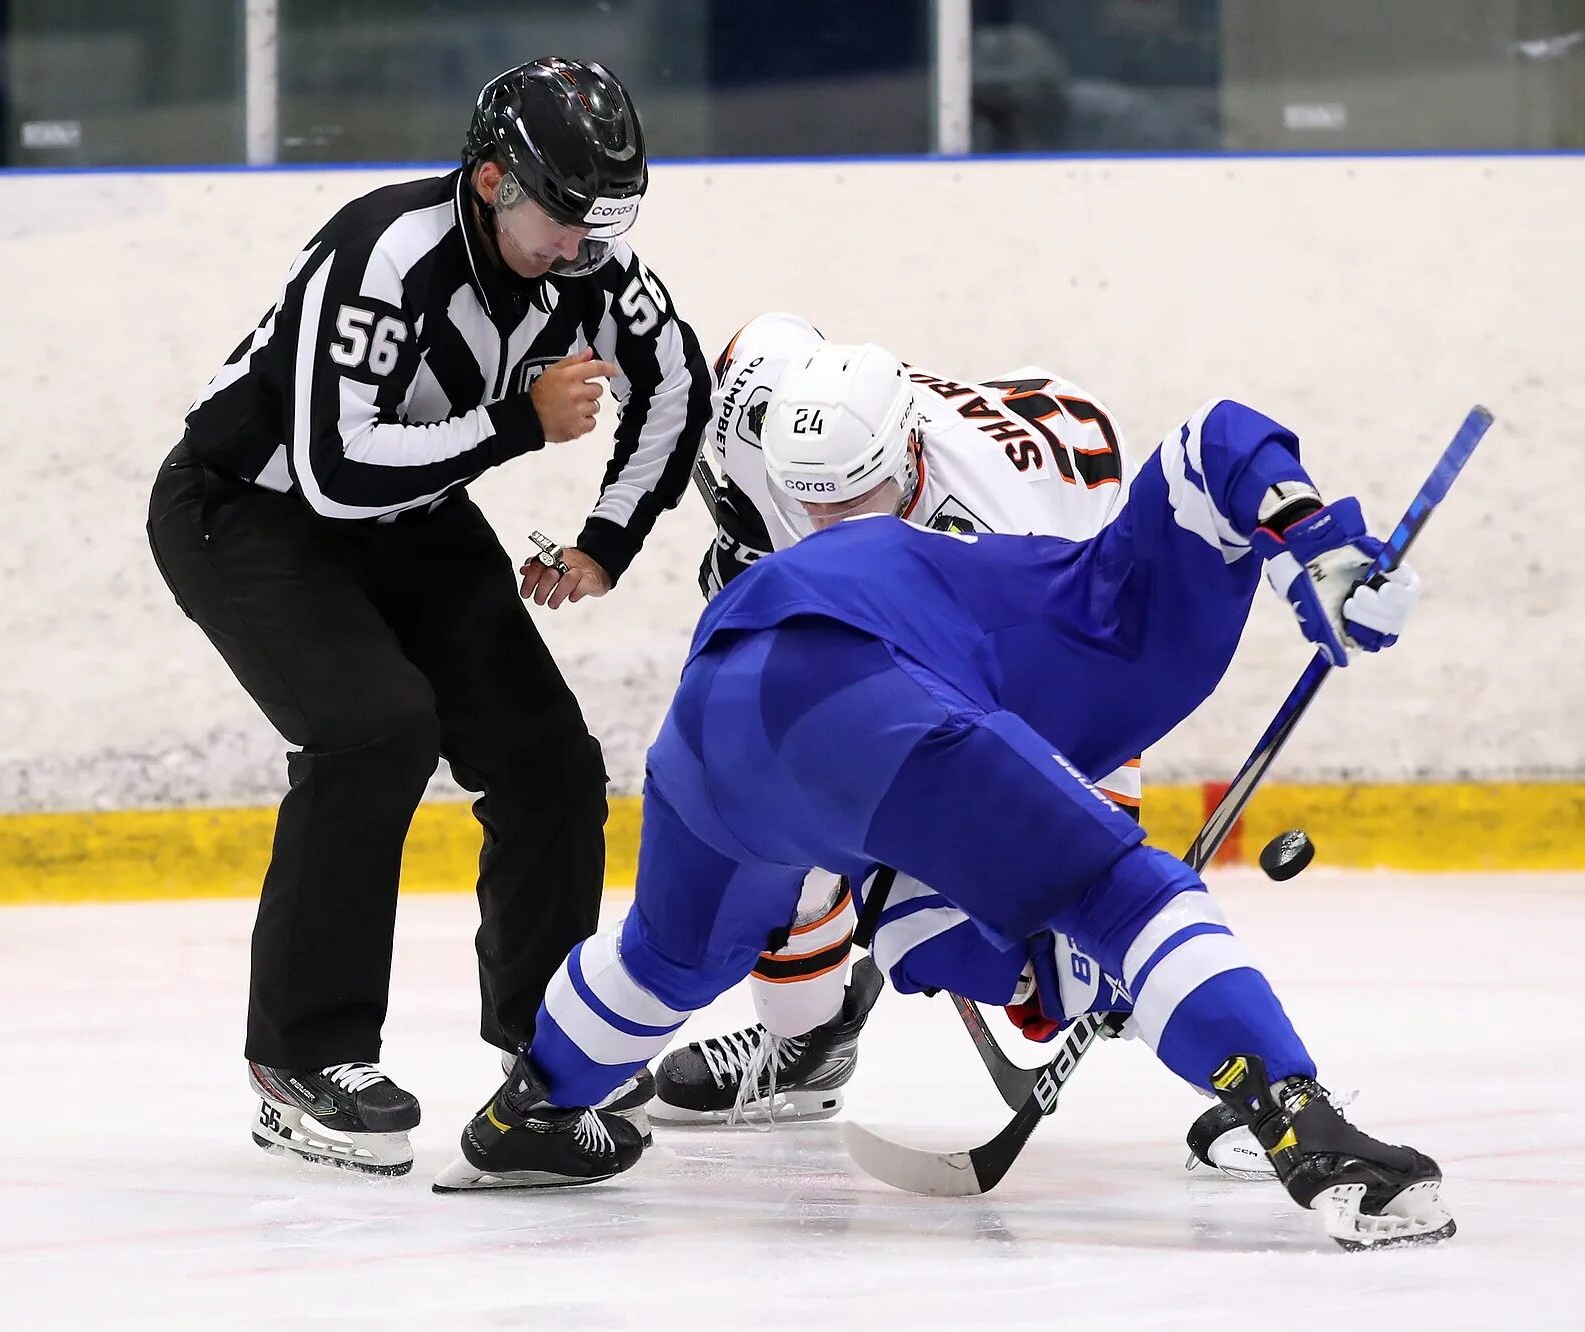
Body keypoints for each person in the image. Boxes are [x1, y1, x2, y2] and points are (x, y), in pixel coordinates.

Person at [432, 343, 1455, 1251]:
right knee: (1132, 901)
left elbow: (909, 903)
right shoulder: (1062, 590)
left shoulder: (885, 534)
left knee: (664, 957)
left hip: (709, 722)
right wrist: (1316, 547)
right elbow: (1215, 439)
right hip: (865, 705)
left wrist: (1025, 968)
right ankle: (1301, 1125)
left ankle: (523, 1115)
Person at [145, 58, 709, 1176]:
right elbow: (334, 468)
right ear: (494, 180)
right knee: (373, 728)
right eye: (565, 217)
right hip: (250, 511)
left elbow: (676, 384)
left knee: (548, 760)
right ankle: (305, 1054)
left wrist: (607, 539)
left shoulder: (592, 265)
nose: (584, 247)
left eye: (608, 220)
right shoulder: (382, 249)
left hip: (414, 509)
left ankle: (558, 1062)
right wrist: (516, 423)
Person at [652, 313, 1145, 1127]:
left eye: (855, 501)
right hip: (966, 501)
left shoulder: (1001, 541)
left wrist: (1090, 880)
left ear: (910, 453)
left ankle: (1254, 1088)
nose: (828, 527)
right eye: (807, 501)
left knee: (1100, 897)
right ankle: (805, 1051)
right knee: (769, 786)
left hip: (1066, 526)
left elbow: (1101, 707)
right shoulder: (758, 390)